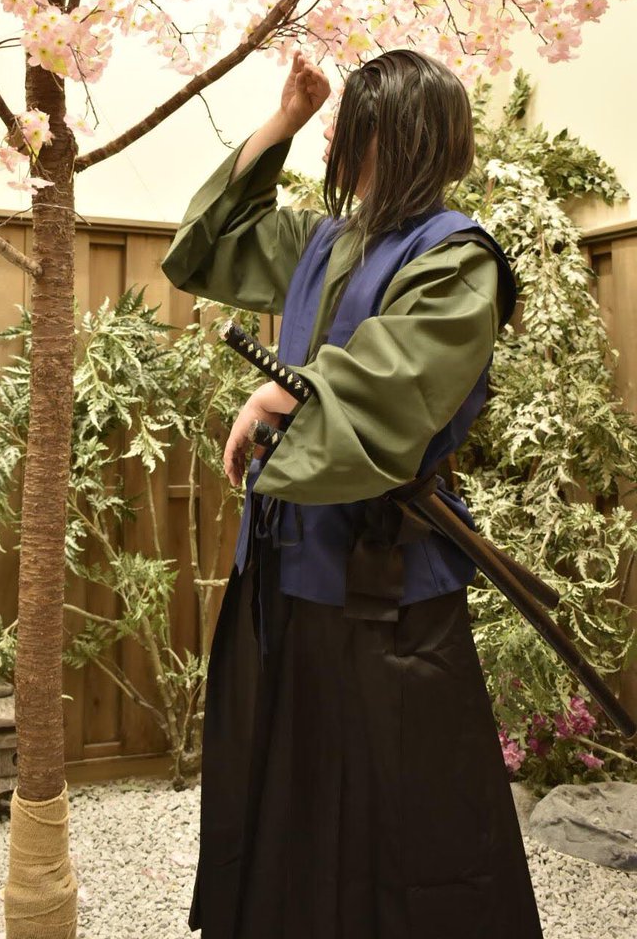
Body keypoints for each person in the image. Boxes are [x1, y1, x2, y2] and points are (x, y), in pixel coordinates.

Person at [160, 49, 544, 939]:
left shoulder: (456, 257)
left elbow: (398, 381)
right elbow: (205, 249)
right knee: (290, 800)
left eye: (350, 116)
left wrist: (280, 394)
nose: (335, 126)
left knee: (405, 820)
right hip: (290, 570)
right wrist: (284, 120)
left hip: (387, 588)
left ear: (397, 134)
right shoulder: (325, 241)